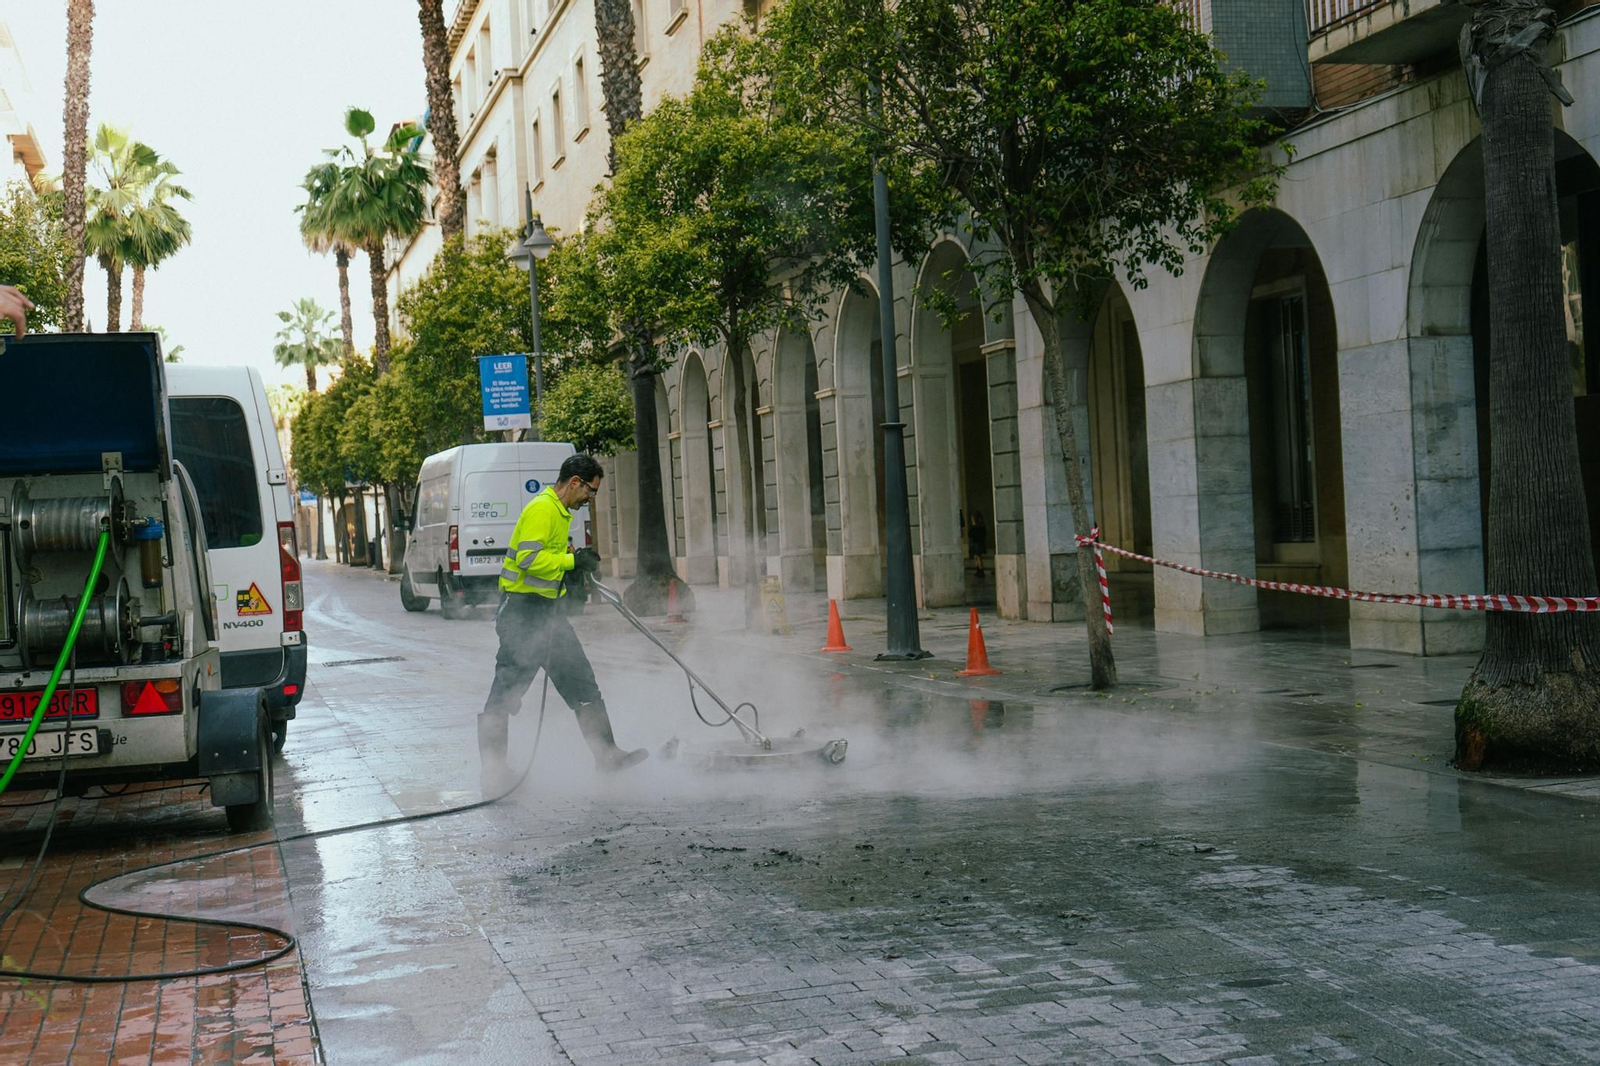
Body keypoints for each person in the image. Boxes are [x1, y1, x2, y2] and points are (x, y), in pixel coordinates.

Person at [478, 454, 647, 789]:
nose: (589, 499)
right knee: (505, 696)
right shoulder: (543, 509)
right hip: (522, 616)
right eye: (590, 492)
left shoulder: (559, 513)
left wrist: (573, 567)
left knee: (582, 683)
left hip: (548, 614)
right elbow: (527, 559)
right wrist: (571, 560)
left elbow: (548, 559)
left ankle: (607, 755)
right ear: (574, 482)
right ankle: (493, 772)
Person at [968, 510, 989, 579]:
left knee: (977, 557)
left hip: (976, 542)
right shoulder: (982, 526)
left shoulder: (975, 527)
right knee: (977, 557)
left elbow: (970, 534)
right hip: (979, 542)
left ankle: (980, 570)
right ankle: (979, 570)